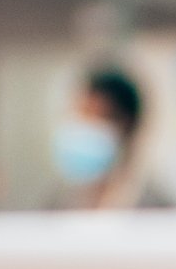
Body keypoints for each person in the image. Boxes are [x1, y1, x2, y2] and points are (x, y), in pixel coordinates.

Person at [52, 68, 153, 211]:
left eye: (96, 116)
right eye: (80, 115)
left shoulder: (153, 205)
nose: (84, 129)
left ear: (125, 125)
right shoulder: (60, 201)